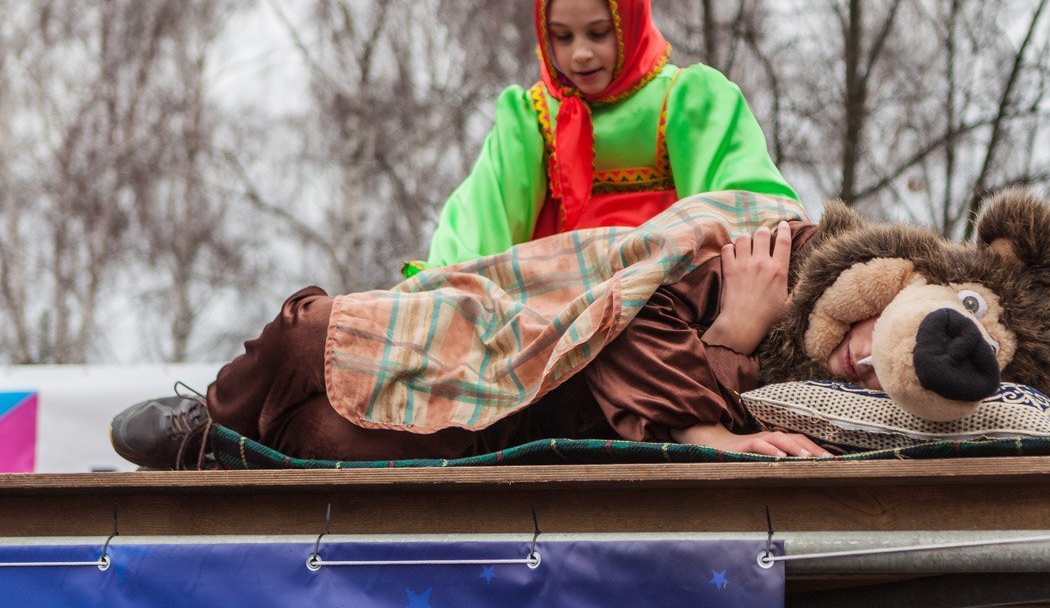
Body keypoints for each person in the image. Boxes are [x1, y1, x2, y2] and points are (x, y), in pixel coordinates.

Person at [110, 193, 841, 470]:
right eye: (567, 37)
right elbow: (633, 306)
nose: (865, 357)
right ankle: (214, 425)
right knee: (310, 331)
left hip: (524, 439)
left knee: (317, 442)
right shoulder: (786, 254)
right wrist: (709, 402)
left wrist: (724, 351)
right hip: (526, 323)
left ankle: (238, 456)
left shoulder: (853, 401)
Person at [406, 0, 797, 276]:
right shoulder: (533, 118)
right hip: (563, 312)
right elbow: (482, 216)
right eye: (562, 36)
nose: (580, 54)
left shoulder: (686, 100)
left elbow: (742, 206)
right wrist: (442, 283)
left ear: (629, 20)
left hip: (666, 304)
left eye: (597, 33)